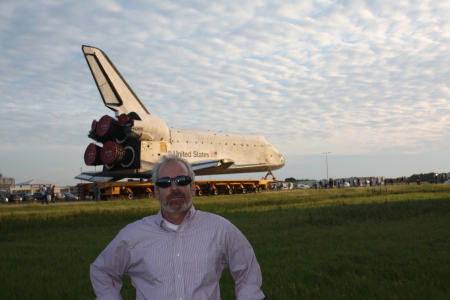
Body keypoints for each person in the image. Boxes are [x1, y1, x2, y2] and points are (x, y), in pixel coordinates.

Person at [90, 155, 264, 300]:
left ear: (193, 188)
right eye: (165, 182)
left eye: (181, 180)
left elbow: (248, 270)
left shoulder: (220, 229)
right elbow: (101, 271)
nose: (174, 188)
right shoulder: (133, 235)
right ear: (157, 192)